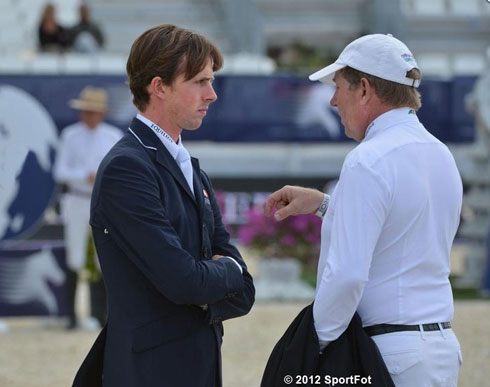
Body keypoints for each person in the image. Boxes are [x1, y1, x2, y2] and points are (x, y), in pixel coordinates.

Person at [265, 34, 463, 386]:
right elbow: (400, 231)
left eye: (339, 86)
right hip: (440, 348)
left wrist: (316, 344)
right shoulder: (440, 154)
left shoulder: (367, 160)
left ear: (365, 89)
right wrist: (326, 204)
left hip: (386, 354)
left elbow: (347, 274)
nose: (333, 100)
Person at [72, 25, 255, 387]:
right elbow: (185, 282)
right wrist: (229, 272)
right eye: (200, 82)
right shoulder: (128, 167)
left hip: (197, 363)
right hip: (151, 371)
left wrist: (215, 280)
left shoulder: (190, 167)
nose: (212, 94)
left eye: (211, 81)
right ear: (159, 87)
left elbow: (246, 293)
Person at [54, 86, 122, 329]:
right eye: (85, 111)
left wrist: (100, 179)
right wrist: (85, 175)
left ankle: (102, 315)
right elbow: (60, 171)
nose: (88, 115)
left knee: (104, 255)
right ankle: (72, 316)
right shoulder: (70, 136)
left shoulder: (113, 137)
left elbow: (119, 171)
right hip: (77, 198)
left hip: (103, 201)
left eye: (93, 111)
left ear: (101, 113)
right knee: (75, 254)